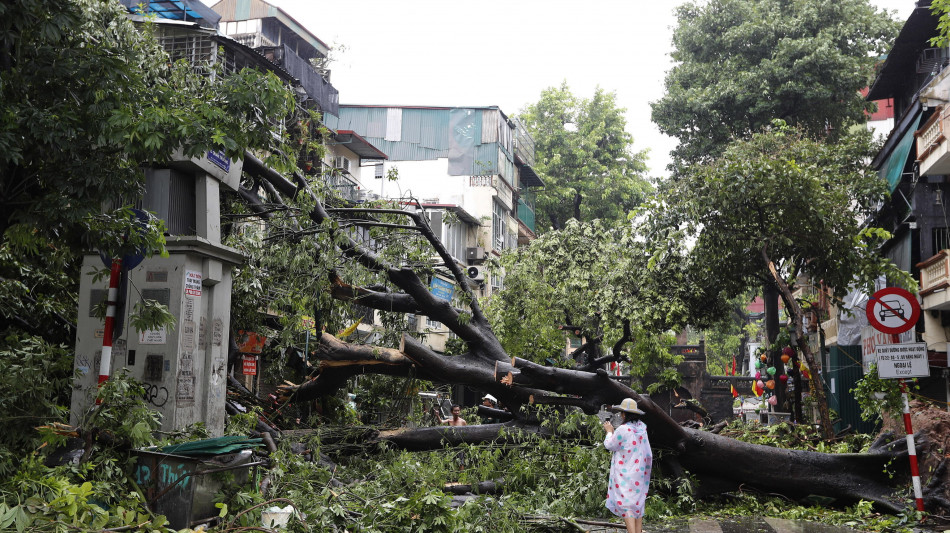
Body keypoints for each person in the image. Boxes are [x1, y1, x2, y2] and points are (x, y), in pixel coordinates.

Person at [602, 398, 652, 533]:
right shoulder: (642, 428)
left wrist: (609, 431)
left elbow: (610, 445)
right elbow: (648, 453)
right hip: (640, 472)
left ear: (624, 414)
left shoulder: (623, 429)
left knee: (627, 505)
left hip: (625, 472)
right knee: (637, 503)